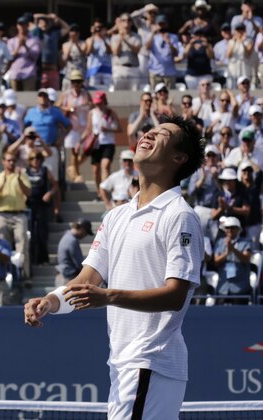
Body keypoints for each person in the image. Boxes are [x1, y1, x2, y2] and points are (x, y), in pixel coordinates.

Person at [24, 115, 205, 419]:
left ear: (178, 158)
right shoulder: (115, 216)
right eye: (150, 130)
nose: (148, 135)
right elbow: (87, 279)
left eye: (162, 134)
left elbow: (175, 296)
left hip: (151, 361)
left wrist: (108, 296)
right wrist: (51, 302)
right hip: (123, 363)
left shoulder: (180, 216)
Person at [0, 152, 31, 278]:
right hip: (2, 215)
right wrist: (3, 182)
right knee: (3, 247)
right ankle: (6, 274)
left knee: (22, 246)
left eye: (13, 160)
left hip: (19, 215)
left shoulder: (22, 175)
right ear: (3, 162)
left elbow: (28, 193)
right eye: (8, 160)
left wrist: (18, 179)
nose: (11, 163)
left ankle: (24, 276)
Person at [81, 91, 122, 197]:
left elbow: (119, 128)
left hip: (108, 143)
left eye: (100, 102)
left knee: (105, 165)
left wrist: (108, 129)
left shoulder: (111, 113)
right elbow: (88, 129)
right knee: (95, 170)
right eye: (96, 103)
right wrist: (80, 142)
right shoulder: (92, 113)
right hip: (96, 143)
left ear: (104, 102)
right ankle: (99, 190)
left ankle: (105, 190)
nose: (98, 105)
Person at [56, 70, 92, 182]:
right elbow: (57, 106)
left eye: (78, 81)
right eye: (74, 82)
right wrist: (68, 108)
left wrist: (88, 104)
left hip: (84, 126)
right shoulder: (66, 94)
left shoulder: (86, 94)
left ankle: (73, 167)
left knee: (88, 150)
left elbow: (92, 105)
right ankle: (76, 174)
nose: (76, 84)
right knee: (74, 151)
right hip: (72, 126)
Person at [213, 216, 252, 304]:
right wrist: (227, 253)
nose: (230, 230)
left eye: (233, 228)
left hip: (240, 287)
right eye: (227, 228)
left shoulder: (246, 242)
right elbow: (216, 261)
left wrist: (233, 250)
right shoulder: (220, 242)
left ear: (238, 229)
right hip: (223, 287)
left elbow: (246, 259)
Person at [32, 13, 70, 90]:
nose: (45, 23)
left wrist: (57, 18)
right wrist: (45, 16)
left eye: (47, 22)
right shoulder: (36, 33)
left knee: (54, 95)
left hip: (53, 72)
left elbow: (67, 28)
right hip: (41, 72)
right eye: (42, 22)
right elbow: (35, 16)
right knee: (41, 95)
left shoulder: (55, 34)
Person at [146, 15, 181, 88]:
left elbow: (176, 53)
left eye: (163, 24)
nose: (161, 26)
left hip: (169, 72)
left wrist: (169, 42)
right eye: (160, 24)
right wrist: (153, 33)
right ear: (156, 25)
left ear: (167, 25)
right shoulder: (151, 36)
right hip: (155, 72)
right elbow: (147, 47)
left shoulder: (173, 37)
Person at [55, 218, 93, 286]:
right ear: (81, 228)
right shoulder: (72, 241)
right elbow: (79, 264)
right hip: (68, 278)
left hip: (62, 275)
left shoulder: (67, 236)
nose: (85, 235)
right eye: (86, 232)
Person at [7, 16, 41, 91]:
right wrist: (19, 46)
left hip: (29, 73)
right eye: (20, 25)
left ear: (27, 26)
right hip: (15, 73)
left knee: (28, 98)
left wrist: (25, 46)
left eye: (24, 25)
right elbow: (9, 57)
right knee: (14, 98)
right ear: (17, 26)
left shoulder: (34, 40)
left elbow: (35, 56)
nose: (22, 27)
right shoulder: (11, 41)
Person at [110, 14, 141, 91]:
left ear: (131, 23)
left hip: (133, 68)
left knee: (135, 94)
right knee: (117, 94)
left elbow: (137, 50)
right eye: (124, 20)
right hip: (119, 68)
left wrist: (125, 40)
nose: (126, 22)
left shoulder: (137, 36)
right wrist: (121, 38)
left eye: (129, 20)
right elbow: (115, 52)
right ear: (120, 22)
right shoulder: (115, 37)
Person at [85, 19, 112, 89]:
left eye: (100, 27)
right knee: (93, 89)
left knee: (107, 89)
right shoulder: (90, 39)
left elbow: (110, 52)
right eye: (96, 27)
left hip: (106, 69)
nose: (98, 29)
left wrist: (103, 39)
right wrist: (93, 36)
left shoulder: (107, 39)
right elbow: (88, 52)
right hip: (94, 69)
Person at [61, 24, 87, 91]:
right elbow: (66, 57)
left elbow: (83, 53)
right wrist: (71, 43)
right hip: (69, 73)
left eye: (76, 31)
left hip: (80, 73)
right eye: (72, 31)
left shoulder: (83, 43)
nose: (74, 33)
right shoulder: (65, 44)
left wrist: (76, 43)